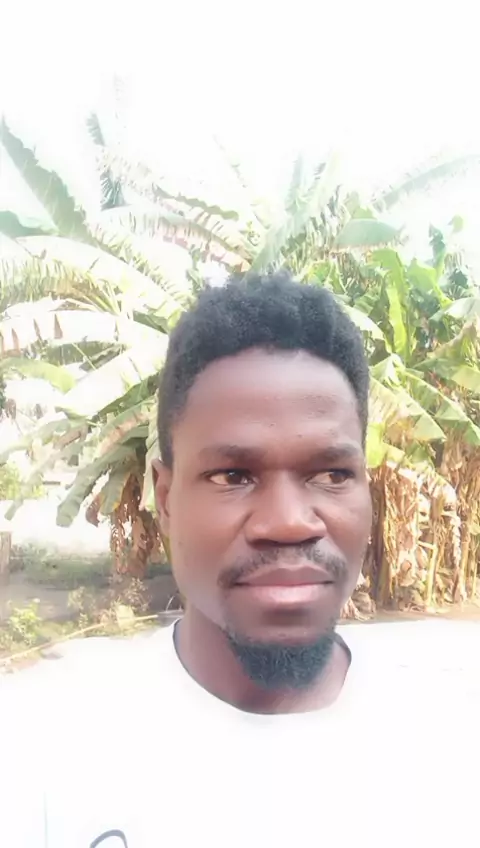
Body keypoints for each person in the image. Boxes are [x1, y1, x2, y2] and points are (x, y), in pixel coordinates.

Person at [0, 272, 476, 847]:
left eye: (331, 474)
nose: (289, 522)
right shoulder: (40, 747)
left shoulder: (453, 740)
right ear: (165, 498)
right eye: (232, 475)